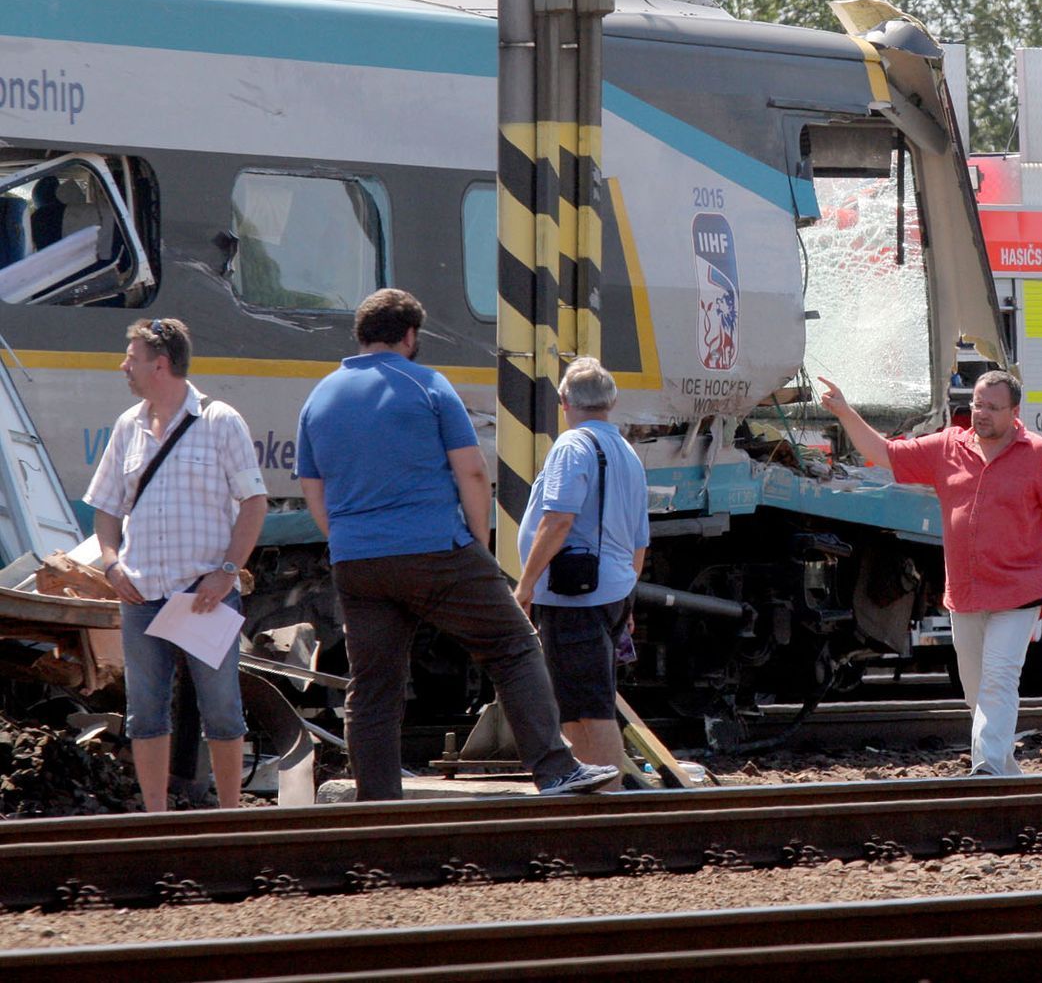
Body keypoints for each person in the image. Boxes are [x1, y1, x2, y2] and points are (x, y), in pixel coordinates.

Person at [296, 288, 615, 799]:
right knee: (513, 647)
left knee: (372, 686)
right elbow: (471, 470)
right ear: (409, 335)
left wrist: (349, 539)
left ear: (361, 335)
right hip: (435, 550)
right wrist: (476, 543)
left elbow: (313, 490)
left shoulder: (319, 397)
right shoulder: (427, 384)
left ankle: (377, 803)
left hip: (357, 560)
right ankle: (554, 769)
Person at [820, 369, 1042, 776]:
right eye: (977, 404)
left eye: (993, 407)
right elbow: (884, 453)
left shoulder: (1040, 455)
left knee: (999, 679)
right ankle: (1007, 770)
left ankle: (987, 771)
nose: (981, 414)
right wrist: (844, 412)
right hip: (965, 593)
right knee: (976, 689)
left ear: (1015, 412)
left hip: (1020, 591)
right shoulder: (949, 446)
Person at [87, 317, 268, 812]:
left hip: (202, 595)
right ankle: (156, 820)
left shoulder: (220, 421)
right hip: (141, 593)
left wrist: (228, 570)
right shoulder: (128, 426)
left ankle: (229, 815)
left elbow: (254, 502)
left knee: (223, 711)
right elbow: (105, 507)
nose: (124, 366)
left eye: (132, 357)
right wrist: (110, 564)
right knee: (145, 714)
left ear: (160, 364)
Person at [513, 357, 649, 782]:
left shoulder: (572, 447)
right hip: (610, 590)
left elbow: (558, 520)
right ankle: (589, 793)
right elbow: (639, 539)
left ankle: (608, 803)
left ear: (563, 400)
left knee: (591, 707)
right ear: (612, 401)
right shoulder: (627, 451)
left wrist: (525, 585)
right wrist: (626, 598)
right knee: (576, 704)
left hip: (577, 595)